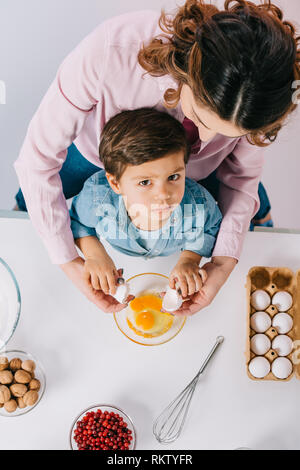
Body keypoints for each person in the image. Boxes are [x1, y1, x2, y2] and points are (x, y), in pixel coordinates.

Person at [13, 0, 300, 314]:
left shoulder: (259, 96)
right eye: (201, 119)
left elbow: (242, 178)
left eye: (227, 134)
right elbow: (38, 160)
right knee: (28, 217)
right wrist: (69, 260)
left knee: (253, 225)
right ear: (187, 70)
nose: (203, 141)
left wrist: (222, 263)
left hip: (211, 176)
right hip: (96, 156)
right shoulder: (111, 52)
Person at [69, 108, 222, 307]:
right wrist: (95, 255)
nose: (163, 195)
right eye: (145, 182)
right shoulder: (98, 197)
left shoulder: (198, 205)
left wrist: (190, 260)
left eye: (173, 177)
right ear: (116, 184)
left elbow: (212, 227)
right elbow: (78, 221)